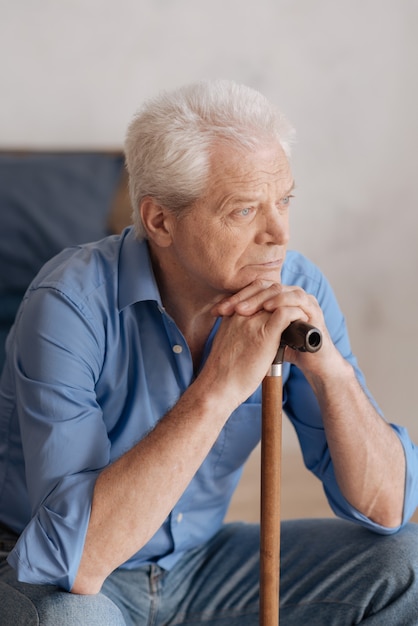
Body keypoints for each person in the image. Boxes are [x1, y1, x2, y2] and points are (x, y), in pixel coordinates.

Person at [0, 79, 417, 626]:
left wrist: (330, 372)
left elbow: (387, 510)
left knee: (404, 564)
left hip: (196, 565)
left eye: (284, 201)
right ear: (160, 221)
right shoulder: (67, 304)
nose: (280, 232)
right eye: (244, 211)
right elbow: (79, 561)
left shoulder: (295, 285)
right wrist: (220, 387)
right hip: (59, 574)